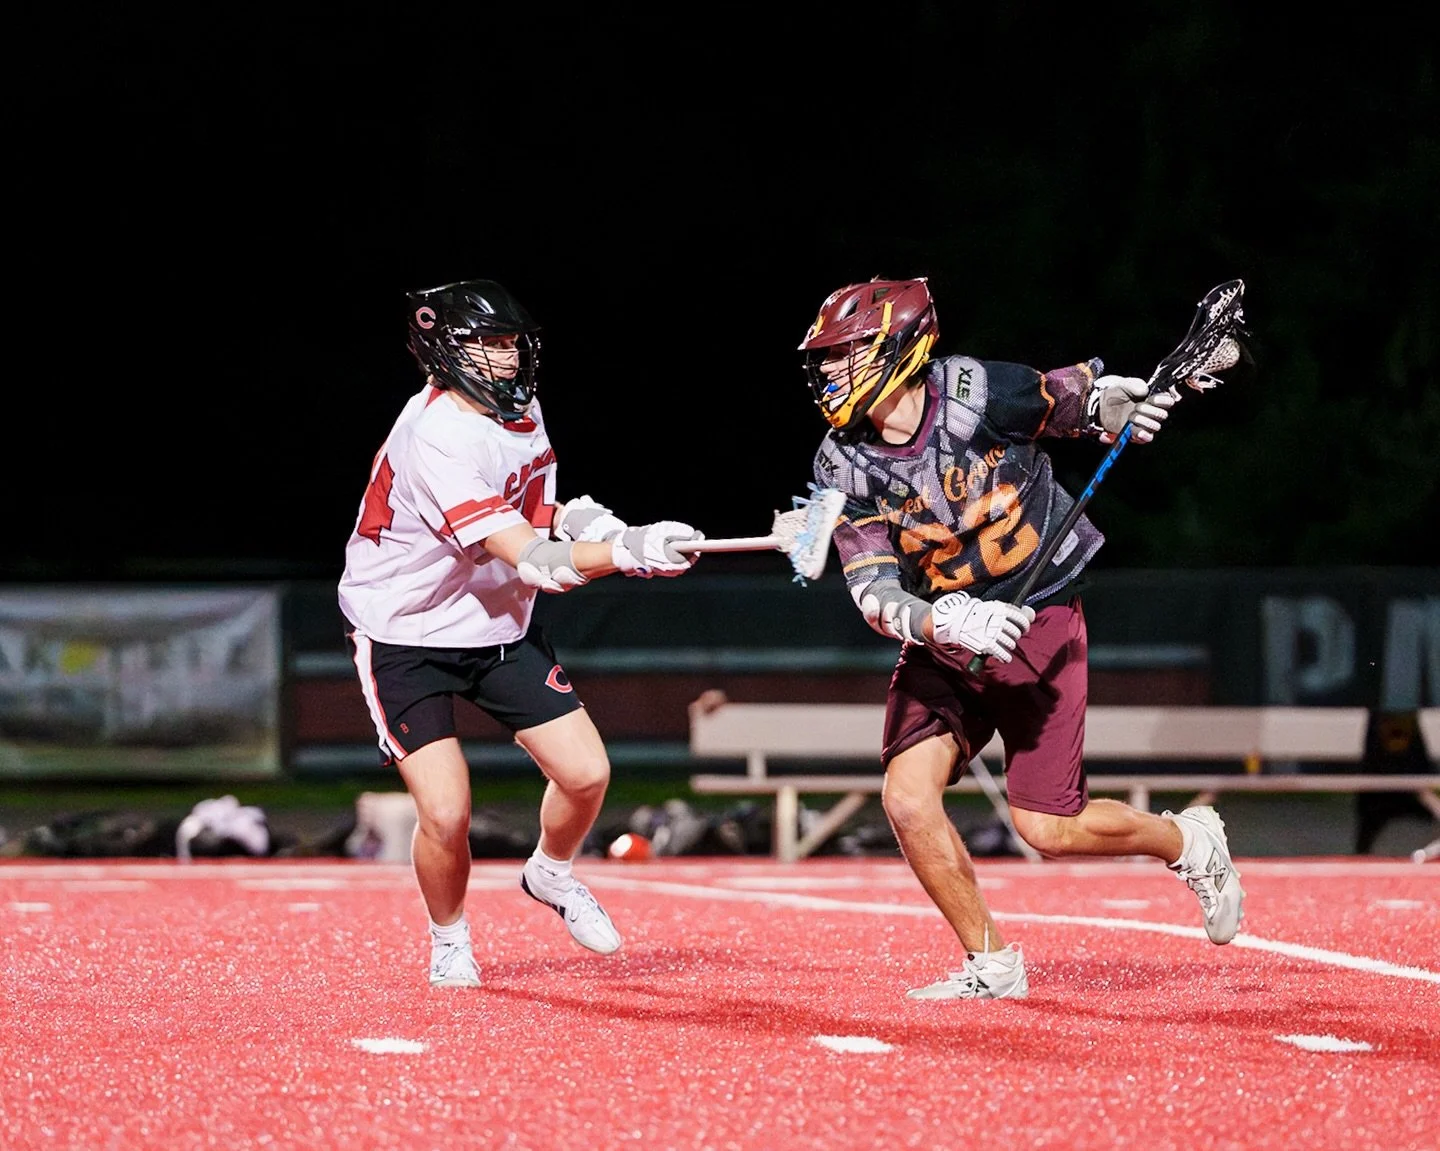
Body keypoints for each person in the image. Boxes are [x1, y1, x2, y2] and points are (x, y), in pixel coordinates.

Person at [798, 276, 1245, 1000]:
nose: (829, 371)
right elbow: (873, 589)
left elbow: (1062, 398)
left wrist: (1107, 404)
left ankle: (1190, 842)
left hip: (1039, 615)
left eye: (841, 354)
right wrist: (940, 620)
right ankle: (993, 963)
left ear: (897, 345)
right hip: (949, 629)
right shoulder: (841, 461)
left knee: (1048, 828)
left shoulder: (972, 392)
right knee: (907, 798)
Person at [338, 278, 704, 989]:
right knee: (446, 811)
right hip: (405, 630)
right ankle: (450, 939)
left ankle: (551, 873)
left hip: (493, 618)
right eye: (489, 343)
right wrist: (627, 553)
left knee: (587, 773)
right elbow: (535, 560)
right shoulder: (435, 436)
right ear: (443, 351)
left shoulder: (519, 407)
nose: (506, 357)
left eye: (510, 342)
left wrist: (602, 525)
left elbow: (534, 514)